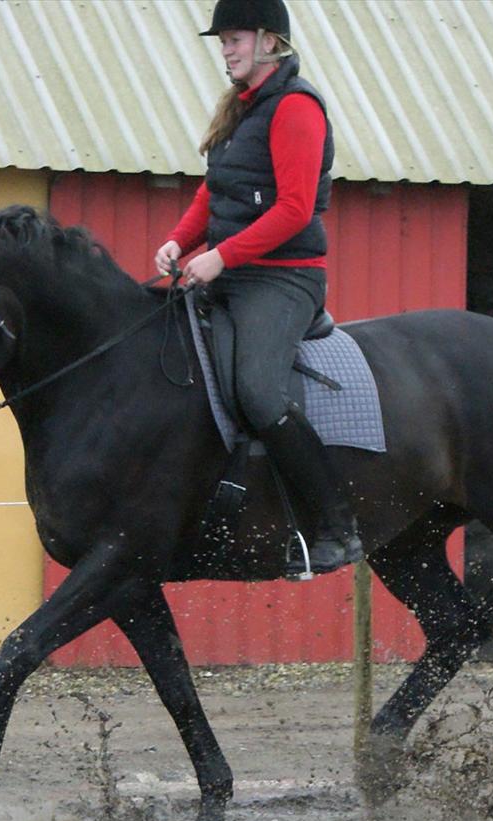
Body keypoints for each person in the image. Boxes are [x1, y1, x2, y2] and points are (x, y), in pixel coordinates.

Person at [154, 0, 363, 575]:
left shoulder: (295, 108)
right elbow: (214, 193)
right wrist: (180, 241)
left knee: (259, 392)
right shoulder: (240, 110)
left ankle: (335, 526)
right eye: (222, 41)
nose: (226, 49)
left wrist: (220, 256)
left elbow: (295, 209)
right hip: (232, 272)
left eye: (235, 38)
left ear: (271, 41)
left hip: (285, 278)